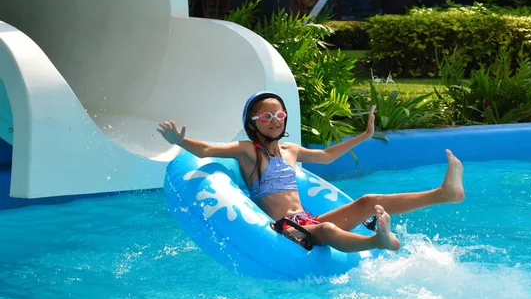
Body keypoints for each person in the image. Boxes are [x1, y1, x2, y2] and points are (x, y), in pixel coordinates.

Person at [157, 92, 465, 253]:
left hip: (306, 220)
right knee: (328, 232)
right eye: (266, 116)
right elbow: (208, 151)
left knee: (369, 199)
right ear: (253, 122)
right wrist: (180, 140)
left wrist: (364, 136)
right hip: (283, 228)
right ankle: (377, 241)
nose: (275, 120)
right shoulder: (248, 151)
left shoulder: (290, 151)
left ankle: (443, 193)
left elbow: (328, 156)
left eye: (279, 114)